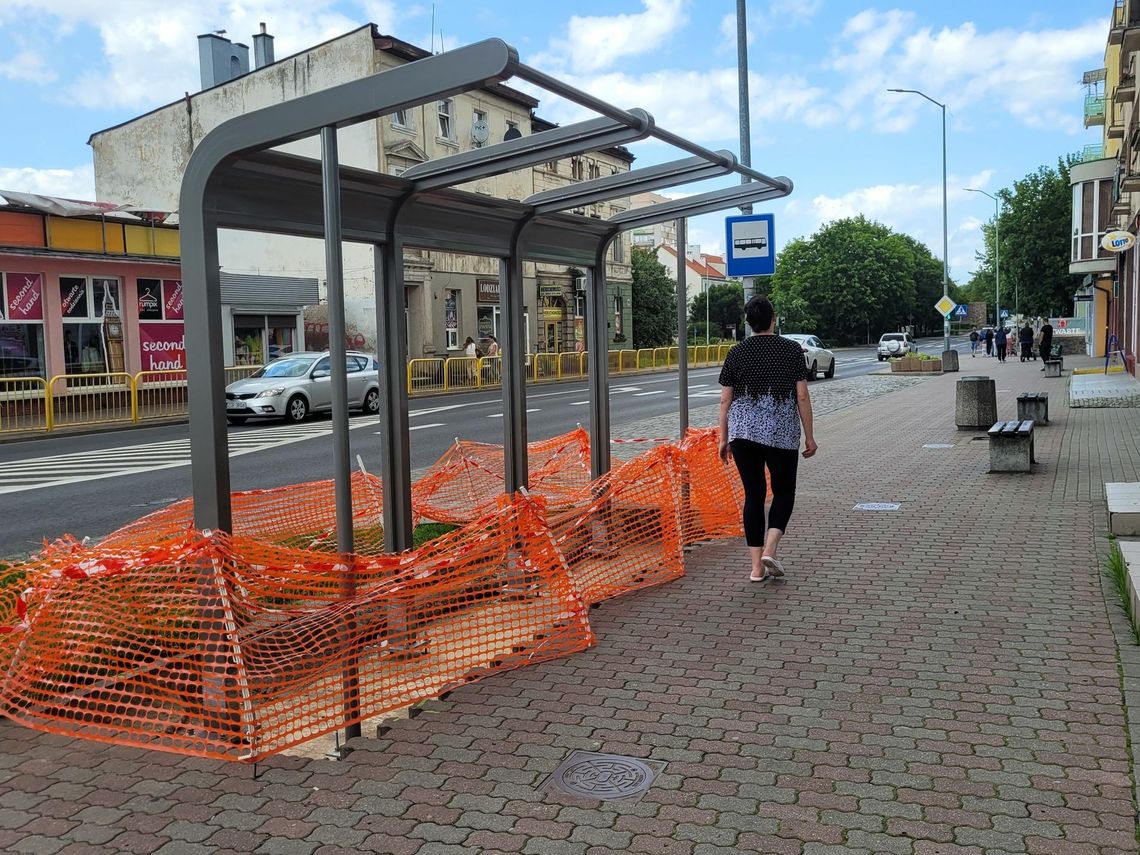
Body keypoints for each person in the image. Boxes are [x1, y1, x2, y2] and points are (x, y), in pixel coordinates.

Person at [718, 296, 817, 584]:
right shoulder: (791, 350)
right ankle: (770, 549)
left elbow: (726, 401)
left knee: (754, 495)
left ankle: (755, 569)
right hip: (781, 432)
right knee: (784, 491)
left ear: (748, 323)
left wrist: (724, 438)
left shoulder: (736, 353)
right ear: (773, 319)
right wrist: (809, 437)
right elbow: (801, 395)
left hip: (743, 433)